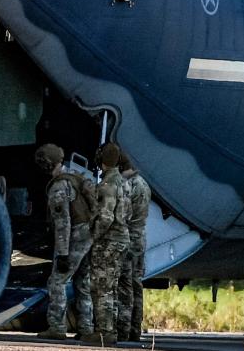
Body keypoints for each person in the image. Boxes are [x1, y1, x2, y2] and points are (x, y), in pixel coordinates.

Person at [33, 144, 95, 341]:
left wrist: (62, 254)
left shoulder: (58, 187)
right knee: (82, 282)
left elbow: (63, 224)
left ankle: (57, 327)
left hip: (75, 236)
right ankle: (86, 328)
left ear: (46, 163)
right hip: (90, 235)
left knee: (57, 281)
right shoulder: (76, 176)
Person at [83, 142, 130, 347]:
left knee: (101, 287)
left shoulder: (107, 185)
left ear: (101, 159)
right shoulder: (125, 183)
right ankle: (111, 330)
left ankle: (104, 332)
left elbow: (105, 217)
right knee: (111, 286)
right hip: (121, 239)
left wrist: (93, 236)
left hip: (108, 241)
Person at [116, 152, 151, 342]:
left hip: (129, 237)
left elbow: (123, 214)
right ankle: (135, 329)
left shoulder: (128, 185)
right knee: (137, 283)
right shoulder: (144, 184)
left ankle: (123, 327)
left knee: (125, 284)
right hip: (141, 236)